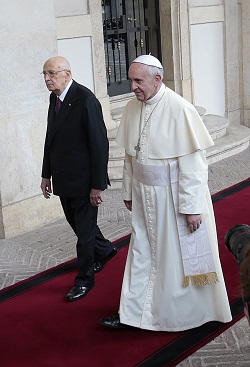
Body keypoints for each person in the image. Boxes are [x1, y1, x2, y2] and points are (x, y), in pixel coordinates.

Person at [100, 54, 232, 331]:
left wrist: (192, 207)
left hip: (173, 199)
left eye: (138, 81)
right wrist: (128, 190)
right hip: (144, 197)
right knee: (141, 253)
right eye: (131, 80)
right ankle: (133, 314)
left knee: (173, 259)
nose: (132, 87)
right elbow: (129, 156)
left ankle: (177, 315)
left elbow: (194, 167)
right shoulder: (132, 108)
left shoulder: (180, 109)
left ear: (157, 79)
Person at [41, 56, 117, 302]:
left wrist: (97, 185)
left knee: (84, 236)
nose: (47, 79)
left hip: (84, 182)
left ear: (67, 73)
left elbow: (99, 145)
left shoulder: (86, 100)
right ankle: (105, 250)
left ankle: (84, 280)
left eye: (51, 73)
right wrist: (46, 174)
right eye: (44, 74)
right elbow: (49, 139)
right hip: (64, 180)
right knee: (79, 225)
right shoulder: (55, 99)